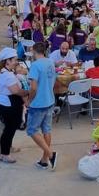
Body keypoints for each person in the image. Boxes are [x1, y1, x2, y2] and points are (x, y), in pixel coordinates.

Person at [0, 47, 29, 163]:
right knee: (9, 129)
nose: (16, 62)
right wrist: (28, 92)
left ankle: (8, 147)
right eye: (14, 59)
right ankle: (5, 154)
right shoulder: (7, 75)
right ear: (7, 61)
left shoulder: (6, 71)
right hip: (8, 105)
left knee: (10, 128)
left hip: (6, 103)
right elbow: (16, 91)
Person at [26, 42, 57, 170]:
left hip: (38, 103)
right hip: (49, 99)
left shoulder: (35, 65)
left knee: (32, 130)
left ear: (34, 51)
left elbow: (33, 87)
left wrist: (29, 100)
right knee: (46, 130)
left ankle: (49, 154)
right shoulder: (50, 62)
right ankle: (44, 160)